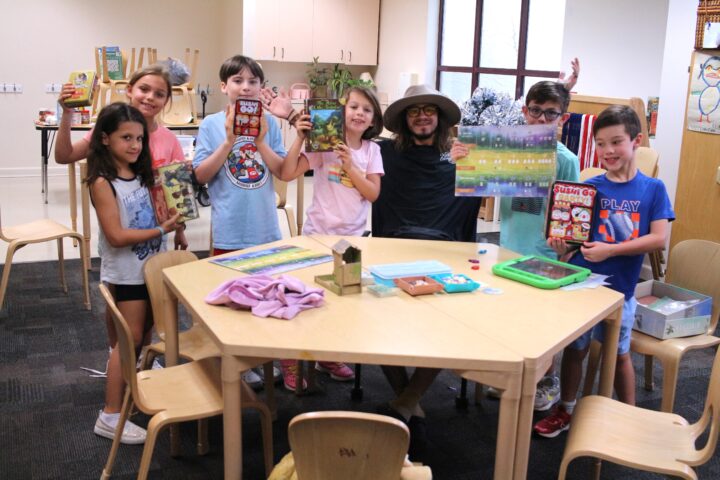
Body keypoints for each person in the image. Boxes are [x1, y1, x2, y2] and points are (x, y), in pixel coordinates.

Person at [533, 105, 675, 438]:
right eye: (600, 144)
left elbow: (658, 238)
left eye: (616, 142)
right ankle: (565, 409)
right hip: (583, 286)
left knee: (619, 354)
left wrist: (611, 249)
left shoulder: (652, 189)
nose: (608, 151)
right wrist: (561, 246)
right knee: (575, 349)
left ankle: (629, 417)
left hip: (619, 290)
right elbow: (573, 239)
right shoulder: (589, 186)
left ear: (636, 141)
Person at [453, 80, 580, 411]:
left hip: (545, 254)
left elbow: (570, 213)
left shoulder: (565, 160)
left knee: (541, 329)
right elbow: (476, 183)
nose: (540, 119)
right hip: (508, 249)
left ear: (562, 119)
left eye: (550, 114)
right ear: (525, 112)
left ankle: (543, 380)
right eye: (535, 111)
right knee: (511, 321)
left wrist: (564, 246)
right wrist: (463, 160)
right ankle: (517, 379)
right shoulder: (506, 148)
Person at [372, 85, 481, 461]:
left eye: (429, 110)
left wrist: (473, 163)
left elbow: (512, 167)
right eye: (414, 111)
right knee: (376, 327)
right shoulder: (383, 153)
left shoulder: (459, 159)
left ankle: (406, 403)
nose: (421, 116)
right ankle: (409, 401)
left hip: (445, 254)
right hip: (390, 251)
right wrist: (291, 117)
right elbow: (342, 136)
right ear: (404, 119)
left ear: (440, 118)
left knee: (446, 332)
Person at [55, 64, 188, 374]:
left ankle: (142, 358)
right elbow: (64, 156)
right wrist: (66, 114)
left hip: (157, 238)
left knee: (152, 305)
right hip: (123, 242)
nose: (150, 97)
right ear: (129, 90)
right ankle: (118, 354)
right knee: (123, 307)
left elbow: (176, 193)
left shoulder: (169, 140)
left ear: (166, 101)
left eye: (160, 94)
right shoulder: (114, 126)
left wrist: (179, 230)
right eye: (144, 89)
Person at [86, 102, 182, 444]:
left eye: (139, 138)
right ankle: (110, 414)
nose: (134, 145)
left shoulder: (138, 174)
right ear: (105, 139)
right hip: (126, 275)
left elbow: (157, 207)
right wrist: (161, 229)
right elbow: (116, 235)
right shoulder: (102, 182)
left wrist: (174, 224)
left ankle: (134, 392)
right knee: (127, 343)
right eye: (126, 137)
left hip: (148, 269)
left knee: (142, 339)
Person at [192, 55, 288, 390]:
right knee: (231, 299)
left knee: (266, 296)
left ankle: (260, 358)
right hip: (230, 228)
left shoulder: (270, 124)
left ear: (261, 88)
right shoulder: (211, 125)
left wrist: (259, 139)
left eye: (253, 81)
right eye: (237, 81)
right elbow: (201, 175)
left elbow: (281, 170)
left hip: (265, 228)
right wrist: (230, 139)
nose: (245, 87)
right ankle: (236, 362)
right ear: (224, 87)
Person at [281, 86, 385, 385]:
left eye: (366, 109)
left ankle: (328, 355)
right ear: (341, 112)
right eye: (353, 107)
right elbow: (287, 173)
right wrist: (300, 137)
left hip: (352, 240)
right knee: (305, 299)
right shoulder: (324, 144)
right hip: (317, 235)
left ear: (372, 119)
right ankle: (291, 361)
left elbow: (373, 194)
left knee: (342, 302)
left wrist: (351, 166)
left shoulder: (372, 151)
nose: (359, 113)